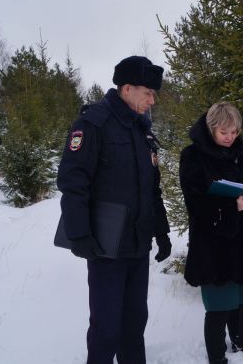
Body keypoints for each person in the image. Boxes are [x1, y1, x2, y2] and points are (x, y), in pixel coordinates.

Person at [57, 55, 172, 364]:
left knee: (134, 325)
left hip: (138, 244)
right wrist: (79, 234)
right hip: (105, 246)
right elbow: (72, 182)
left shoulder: (142, 129)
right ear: (126, 89)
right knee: (107, 328)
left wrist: (160, 230)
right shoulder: (93, 124)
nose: (152, 99)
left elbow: (151, 188)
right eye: (148, 92)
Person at [179, 102, 243, 364]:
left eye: (235, 132)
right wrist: (234, 206)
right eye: (224, 132)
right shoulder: (193, 156)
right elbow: (194, 202)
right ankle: (217, 359)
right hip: (214, 246)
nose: (230, 138)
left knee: (241, 304)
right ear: (211, 129)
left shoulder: (239, 154)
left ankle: (242, 351)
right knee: (219, 307)